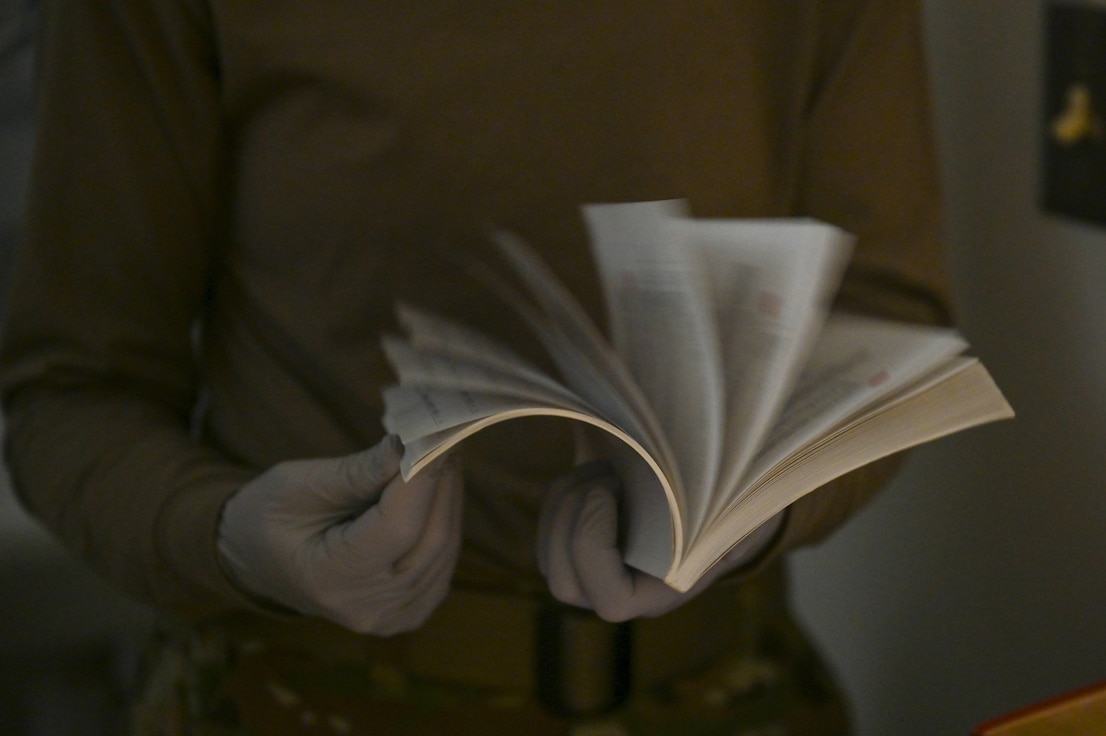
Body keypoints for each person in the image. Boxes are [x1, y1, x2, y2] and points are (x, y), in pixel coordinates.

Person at [0, 1, 950, 734]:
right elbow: (70, 393)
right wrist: (230, 535)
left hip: (730, 697)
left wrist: (745, 498)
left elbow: (885, 321)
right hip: (289, 698)